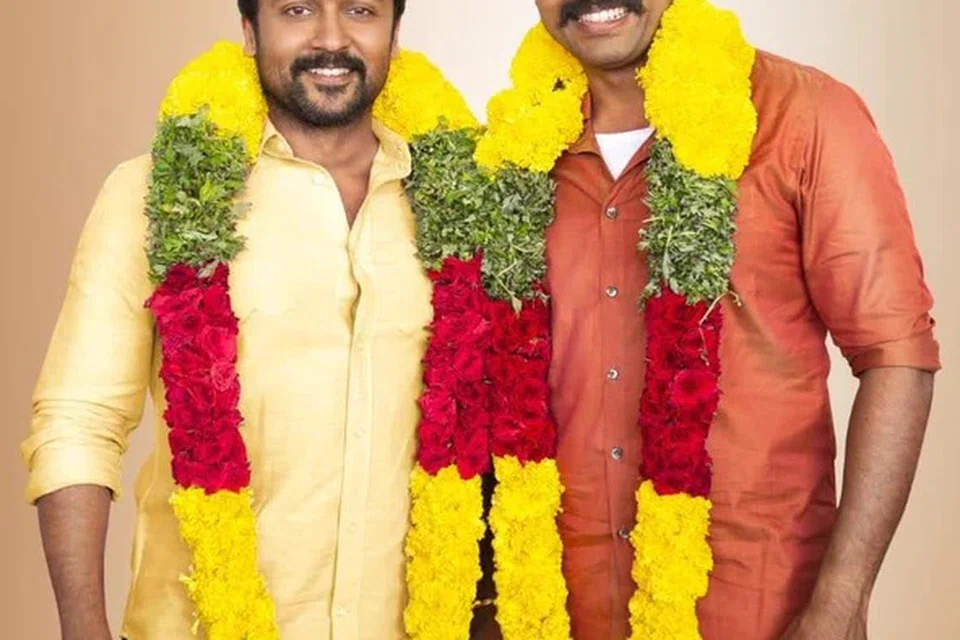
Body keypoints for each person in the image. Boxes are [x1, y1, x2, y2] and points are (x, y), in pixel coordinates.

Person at [528, 0, 940, 638]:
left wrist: (841, 603)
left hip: (758, 599)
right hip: (559, 600)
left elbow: (896, 355)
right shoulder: (513, 149)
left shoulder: (803, 115)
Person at [21, 1, 431, 638]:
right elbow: (79, 423)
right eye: (297, 9)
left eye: (360, 10)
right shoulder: (157, 196)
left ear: (394, 33)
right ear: (249, 32)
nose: (331, 38)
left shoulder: (455, 206)